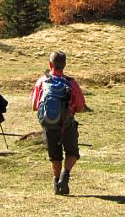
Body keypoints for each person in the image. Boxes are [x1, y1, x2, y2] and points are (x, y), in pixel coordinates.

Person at [30, 51, 87, 196]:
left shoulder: (42, 81)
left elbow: (34, 105)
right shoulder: (71, 83)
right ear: (65, 65)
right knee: (72, 152)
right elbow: (80, 107)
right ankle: (65, 176)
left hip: (49, 125)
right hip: (67, 124)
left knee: (55, 156)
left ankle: (56, 183)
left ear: (50, 64)